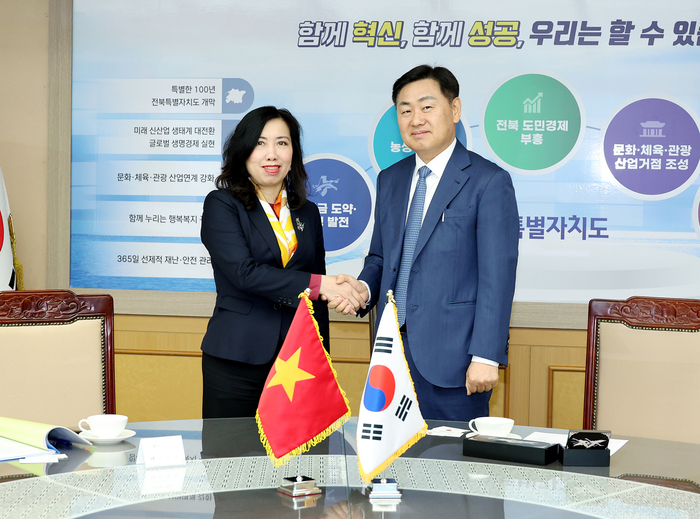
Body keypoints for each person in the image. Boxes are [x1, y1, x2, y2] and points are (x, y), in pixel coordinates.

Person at [332, 65, 519, 421]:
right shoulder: (390, 179)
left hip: (455, 361)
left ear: (455, 109)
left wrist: (486, 355)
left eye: (427, 106)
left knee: (450, 456)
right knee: (392, 455)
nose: (416, 119)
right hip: (390, 356)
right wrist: (363, 290)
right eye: (405, 110)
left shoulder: (488, 181)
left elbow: (497, 277)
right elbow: (381, 257)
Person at [200, 106, 365, 419]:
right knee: (231, 449)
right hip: (238, 358)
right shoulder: (222, 204)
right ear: (243, 151)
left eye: (282, 143)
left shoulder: (307, 212)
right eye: (260, 143)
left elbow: (317, 296)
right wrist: (320, 284)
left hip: (299, 360)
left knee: (300, 450)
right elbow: (244, 274)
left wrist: (322, 356)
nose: (271, 154)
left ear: (293, 153)